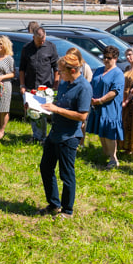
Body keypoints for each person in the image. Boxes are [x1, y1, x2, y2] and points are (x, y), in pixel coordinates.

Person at [38, 54, 92, 219]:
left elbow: (82, 116)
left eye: (61, 71)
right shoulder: (64, 84)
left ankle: (67, 210)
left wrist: (57, 110)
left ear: (73, 70)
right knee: (45, 168)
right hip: (55, 133)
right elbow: (58, 104)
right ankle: (54, 204)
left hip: (69, 137)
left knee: (66, 174)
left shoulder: (84, 87)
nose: (59, 74)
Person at [86, 46, 125, 169]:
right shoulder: (98, 70)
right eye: (105, 57)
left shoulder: (118, 73)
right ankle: (106, 154)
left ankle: (114, 159)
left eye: (109, 58)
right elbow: (91, 84)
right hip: (96, 106)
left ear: (115, 58)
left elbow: (115, 91)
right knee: (101, 130)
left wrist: (101, 100)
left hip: (110, 106)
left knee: (109, 132)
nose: (106, 60)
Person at [20, 26, 59, 144]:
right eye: (39, 40)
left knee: (43, 112)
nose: (42, 42)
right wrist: (22, 85)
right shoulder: (26, 48)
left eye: (43, 39)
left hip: (45, 87)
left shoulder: (51, 47)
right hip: (31, 86)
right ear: (33, 37)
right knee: (33, 112)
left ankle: (44, 137)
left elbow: (56, 69)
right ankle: (37, 136)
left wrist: (55, 85)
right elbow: (22, 69)